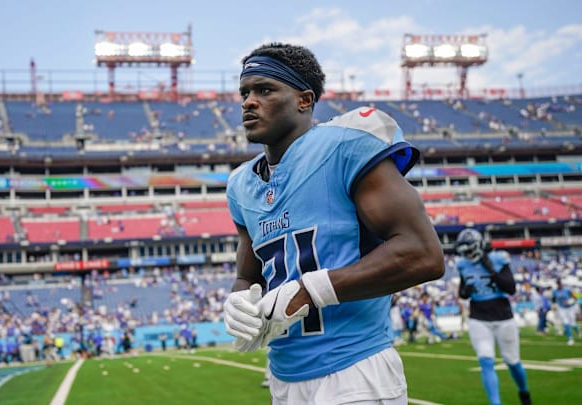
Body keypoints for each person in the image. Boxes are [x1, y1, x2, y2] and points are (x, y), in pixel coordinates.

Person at [222, 42, 445, 404]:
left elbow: (423, 254)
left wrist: (310, 291)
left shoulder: (346, 145)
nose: (248, 101)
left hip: (355, 370)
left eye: (264, 90)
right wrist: (238, 301)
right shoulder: (240, 186)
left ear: (304, 100)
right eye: (245, 92)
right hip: (284, 378)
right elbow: (250, 276)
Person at [455, 228, 532, 405]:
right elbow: (463, 293)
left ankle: (524, 392)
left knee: (512, 361)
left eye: (468, 249)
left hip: (503, 316)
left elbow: (510, 288)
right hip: (478, 317)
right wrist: (466, 290)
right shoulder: (462, 264)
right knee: (486, 360)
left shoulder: (498, 259)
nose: (466, 253)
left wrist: (491, 270)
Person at [552, 278, 579, 345]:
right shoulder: (555, 291)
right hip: (562, 309)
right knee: (566, 323)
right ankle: (570, 338)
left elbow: (575, 298)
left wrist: (569, 302)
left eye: (559, 283)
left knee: (573, 324)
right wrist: (554, 305)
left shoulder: (567, 290)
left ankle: (578, 331)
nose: (559, 285)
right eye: (558, 284)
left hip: (570, 308)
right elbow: (554, 299)